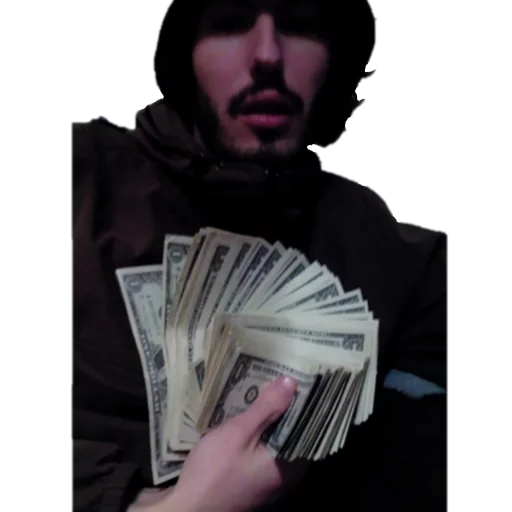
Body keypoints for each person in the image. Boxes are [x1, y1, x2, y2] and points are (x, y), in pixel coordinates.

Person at [71, 0, 448, 511]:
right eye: (229, 24)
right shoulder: (82, 178)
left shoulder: (396, 256)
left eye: (301, 26)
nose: (267, 55)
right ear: (184, 55)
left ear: (336, 61)